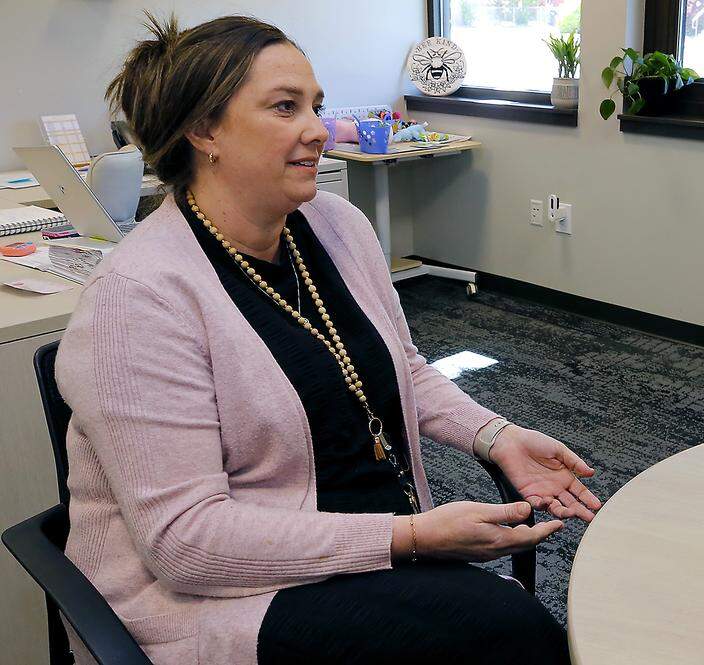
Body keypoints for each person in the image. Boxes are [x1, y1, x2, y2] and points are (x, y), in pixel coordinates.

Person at [55, 14, 600, 665]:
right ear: (204, 131)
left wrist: (497, 435)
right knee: (507, 631)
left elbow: (403, 369)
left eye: (314, 105)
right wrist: (411, 536)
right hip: (219, 599)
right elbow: (186, 545)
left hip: (367, 549)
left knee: (505, 627)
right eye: (285, 107)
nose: (318, 128)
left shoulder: (335, 225)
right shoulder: (138, 297)